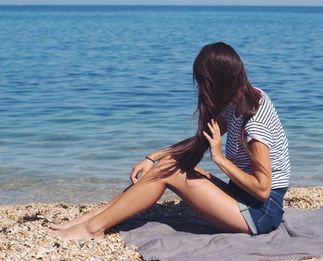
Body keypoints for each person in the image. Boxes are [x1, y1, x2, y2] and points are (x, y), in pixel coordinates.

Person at [49, 42, 291, 240]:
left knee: (170, 172)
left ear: (218, 82)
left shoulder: (254, 120)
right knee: (172, 166)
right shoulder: (238, 99)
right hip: (239, 197)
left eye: (203, 82)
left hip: (259, 214)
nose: (201, 89)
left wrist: (218, 158)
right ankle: (93, 218)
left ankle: (93, 229)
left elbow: (262, 189)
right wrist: (153, 156)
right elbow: (201, 141)